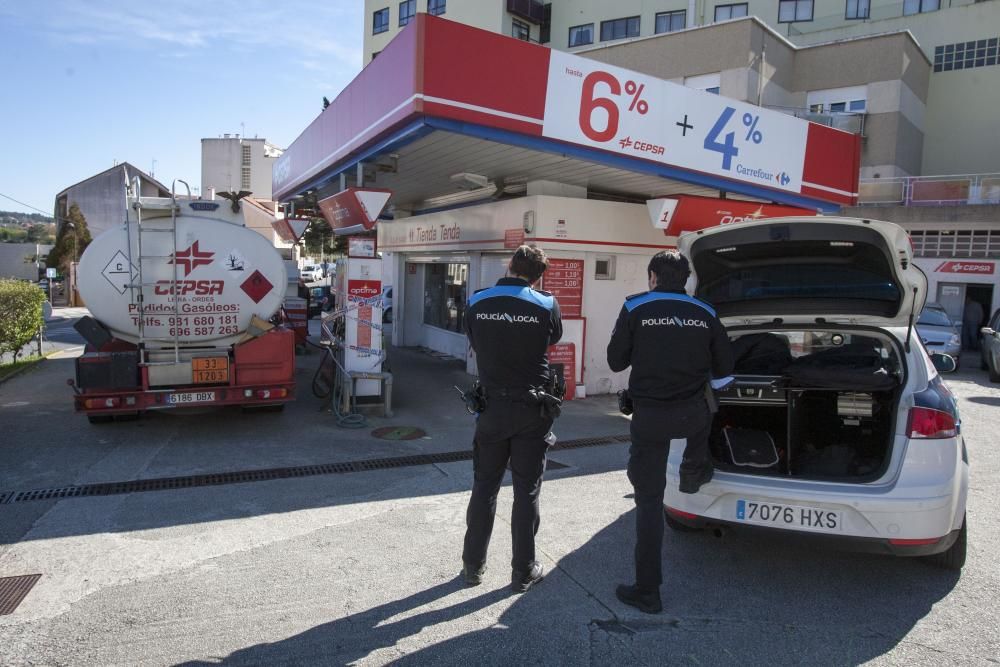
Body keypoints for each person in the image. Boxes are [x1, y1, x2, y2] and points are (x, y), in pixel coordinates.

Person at [607, 250, 733, 614]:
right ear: (687, 279)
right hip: (692, 416)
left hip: (650, 417)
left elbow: (616, 361)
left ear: (652, 277)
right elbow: (724, 377)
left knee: (648, 501)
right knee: (705, 416)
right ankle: (693, 471)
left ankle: (648, 591)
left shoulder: (635, 308)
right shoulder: (706, 312)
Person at [462, 245, 563, 593]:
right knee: (526, 492)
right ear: (538, 276)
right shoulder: (547, 304)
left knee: (484, 488)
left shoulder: (478, 301)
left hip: (491, 410)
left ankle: (472, 568)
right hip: (532, 411)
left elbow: (473, 339)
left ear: (509, 265)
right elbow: (553, 338)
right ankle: (523, 571)